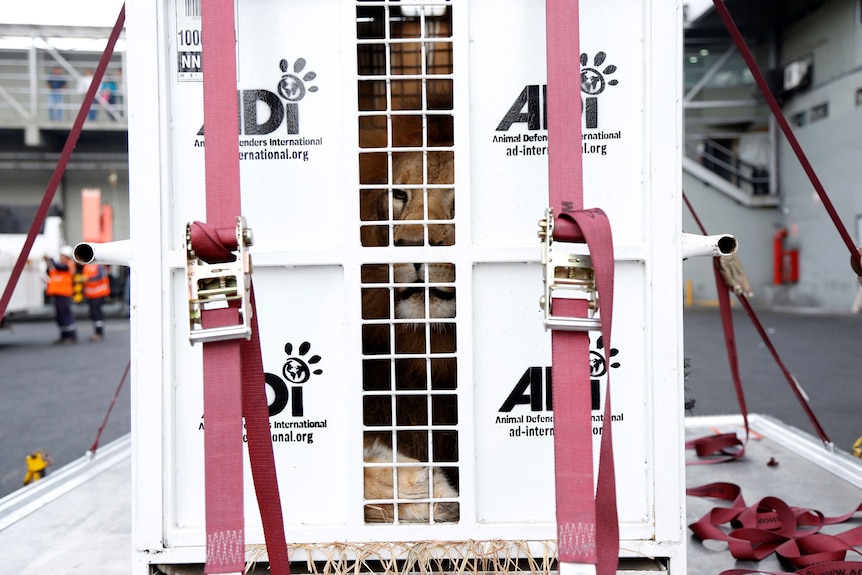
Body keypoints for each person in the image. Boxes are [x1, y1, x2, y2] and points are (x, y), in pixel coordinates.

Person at [44, 246, 78, 344]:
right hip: (58, 294)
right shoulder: (60, 265)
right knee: (60, 316)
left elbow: (60, 267)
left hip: (64, 294)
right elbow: (50, 271)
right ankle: (64, 336)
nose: (61, 257)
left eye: (62, 255)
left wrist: (51, 259)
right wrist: (48, 262)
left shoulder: (69, 264)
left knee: (66, 315)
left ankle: (72, 336)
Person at [82, 262, 110, 341]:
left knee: (97, 313)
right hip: (91, 294)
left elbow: (100, 276)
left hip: (99, 292)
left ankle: (99, 333)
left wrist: (88, 278)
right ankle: (97, 332)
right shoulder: (87, 266)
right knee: (93, 313)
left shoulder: (99, 265)